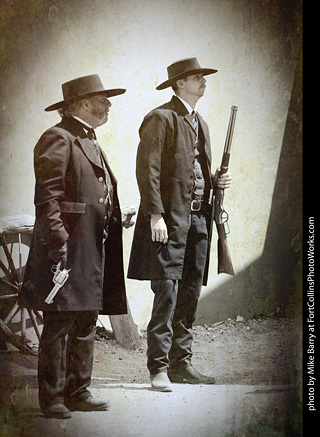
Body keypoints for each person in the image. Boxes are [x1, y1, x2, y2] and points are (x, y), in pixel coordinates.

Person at [20, 74, 130, 418]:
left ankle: (78, 391)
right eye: (102, 99)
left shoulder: (89, 139)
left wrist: (113, 213)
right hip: (69, 249)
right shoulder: (58, 137)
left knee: (86, 320)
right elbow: (48, 199)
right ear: (82, 103)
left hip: (93, 248)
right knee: (61, 322)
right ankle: (52, 398)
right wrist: (59, 244)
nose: (107, 104)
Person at [127, 58, 232, 392]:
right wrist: (155, 214)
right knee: (167, 293)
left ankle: (181, 365)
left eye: (203, 77)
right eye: (197, 77)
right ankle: (158, 368)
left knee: (189, 292)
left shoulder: (200, 122)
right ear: (180, 84)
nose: (204, 82)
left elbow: (193, 171)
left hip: (199, 221)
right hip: (169, 222)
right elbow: (148, 170)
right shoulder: (161, 118)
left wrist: (216, 181)